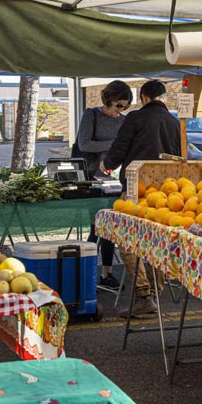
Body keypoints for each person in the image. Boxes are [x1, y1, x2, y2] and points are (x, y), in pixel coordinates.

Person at [103, 80, 181, 317]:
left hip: (136, 190)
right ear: (163, 98)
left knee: (127, 237)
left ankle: (143, 294)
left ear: (144, 98)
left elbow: (120, 147)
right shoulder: (176, 122)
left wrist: (106, 166)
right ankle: (155, 288)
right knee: (155, 239)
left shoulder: (135, 118)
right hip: (165, 194)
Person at [73, 80, 134, 290]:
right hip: (91, 178)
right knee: (97, 226)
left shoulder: (124, 121)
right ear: (108, 100)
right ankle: (88, 271)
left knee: (108, 226)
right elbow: (84, 144)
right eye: (118, 105)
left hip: (114, 179)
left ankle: (105, 272)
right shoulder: (91, 115)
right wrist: (116, 145)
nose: (120, 110)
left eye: (125, 107)